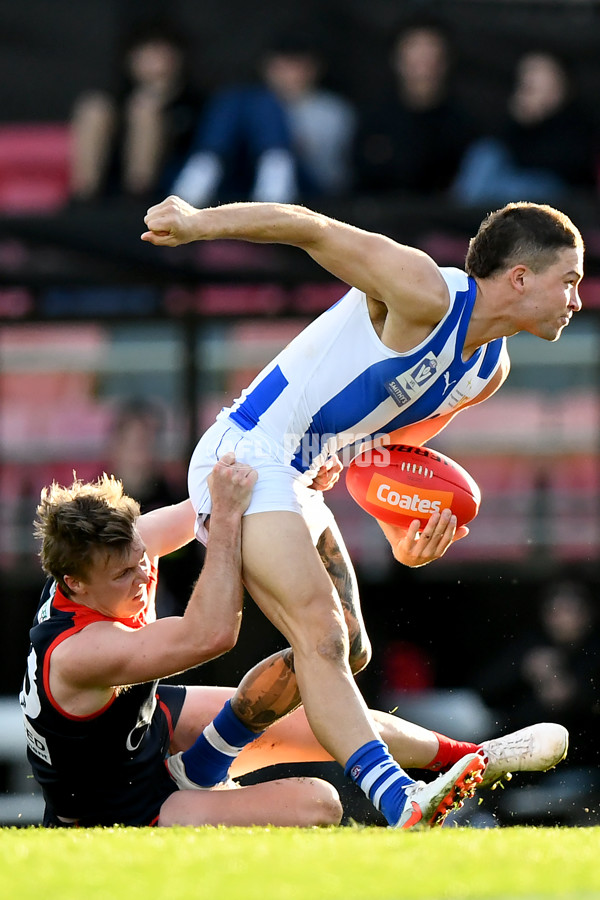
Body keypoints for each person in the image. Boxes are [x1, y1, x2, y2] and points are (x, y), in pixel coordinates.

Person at [141, 193, 582, 828]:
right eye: (567, 281)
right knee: (319, 632)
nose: (575, 299)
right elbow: (312, 228)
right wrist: (195, 223)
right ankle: (400, 799)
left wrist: (404, 535)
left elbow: (382, 460)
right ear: (520, 277)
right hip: (246, 453)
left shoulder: (488, 369)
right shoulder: (423, 292)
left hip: (298, 476)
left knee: (346, 650)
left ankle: (205, 764)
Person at [20, 466, 567, 829]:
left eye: (143, 557)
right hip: (120, 807)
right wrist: (230, 517)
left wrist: (298, 480)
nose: (143, 574)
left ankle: (471, 757)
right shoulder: (82, 650)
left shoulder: (112, 556)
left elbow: (207, 501)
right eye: (124, 574)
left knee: (320, 686)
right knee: (318, 804)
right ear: (76, 584)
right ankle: (201, 774)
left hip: (137, 727)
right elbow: (209, 633)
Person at [171, 34, 356, 206]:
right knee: (232, 98)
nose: (287, 74)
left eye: (295, 66)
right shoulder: (245, 105)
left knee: (263, 104)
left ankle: (275, 168)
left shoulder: (332, 110)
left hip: (304, 186)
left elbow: (333, 174)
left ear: (313, 69)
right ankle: (204, 167)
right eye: (280, 67)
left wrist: (292, 141)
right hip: (248, 180)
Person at [70, 23, 202, 203]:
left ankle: (137, 197)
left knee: (145, 110)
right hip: (109, 183)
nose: (152, 61)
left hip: (168, 183)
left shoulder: (194, 101)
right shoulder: (119, 101)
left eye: (159, 52)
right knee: (93, 108)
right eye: (144, 53)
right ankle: (83, 197)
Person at [452, 51, 597, 206]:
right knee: (485, 154)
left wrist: (537, 123)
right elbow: (499, 149)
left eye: (540, 74)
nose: (531, 80)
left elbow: (566, 166)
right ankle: (462, 214)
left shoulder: (577, 122)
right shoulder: (512, 119)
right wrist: (521, 123)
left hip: (552, 193)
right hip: (505, 181)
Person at [353, 18, 476, 196]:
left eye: (430, 50)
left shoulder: (463, 124)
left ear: (445, 60)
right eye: (414, 48)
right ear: (397, 59)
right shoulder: (373, 119)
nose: (423, 59)